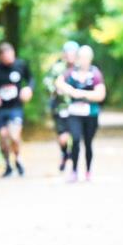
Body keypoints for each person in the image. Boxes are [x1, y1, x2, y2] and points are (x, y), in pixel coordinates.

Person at [55, 45, 106, 183]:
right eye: (81, 57)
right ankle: (74, 171)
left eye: (86, 58)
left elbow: (100, 94)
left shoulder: (95, 74)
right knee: (75, 140)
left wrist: (83, 94)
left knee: (88, 143)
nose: (83, 60)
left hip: (91, 114)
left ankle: (88, 171)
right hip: (74, 113)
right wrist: (71, 90)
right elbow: (58, 83)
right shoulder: (71, 72)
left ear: (90, 59)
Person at [0, 41, 33, 177]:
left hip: (15, 107)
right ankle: (7, 164)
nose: (10, 58)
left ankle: (17, 159)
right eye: (6, 55)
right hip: (0, 109)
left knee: (14, 136)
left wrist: (28, 89)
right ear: (0, 56)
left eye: (12, 54)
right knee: (3, 137)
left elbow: (30, 79)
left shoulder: (20, 65)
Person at [44, 40, 79, 172]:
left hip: (77, 107)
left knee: (75, 135)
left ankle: (72, 157)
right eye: (68, 53)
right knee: (63, 137)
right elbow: (47, 82)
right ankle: (65, 153)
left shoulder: (81, 68)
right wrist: (54, 90)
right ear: (64, 54)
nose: (70, 56)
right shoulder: (57, 68)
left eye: (73, 53)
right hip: (60, 106)